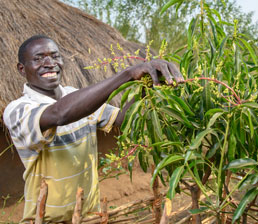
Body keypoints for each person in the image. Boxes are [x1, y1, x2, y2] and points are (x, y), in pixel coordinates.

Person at [3, 35, 184, 223]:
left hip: (88, 217)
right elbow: (59, 114)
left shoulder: (78, 98)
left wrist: (147, 88)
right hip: (46, 220)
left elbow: (124, 119)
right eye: (38, 58)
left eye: (55, 56)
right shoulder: (17, 110)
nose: (49, 63)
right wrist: (128, 74)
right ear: (22, 69)